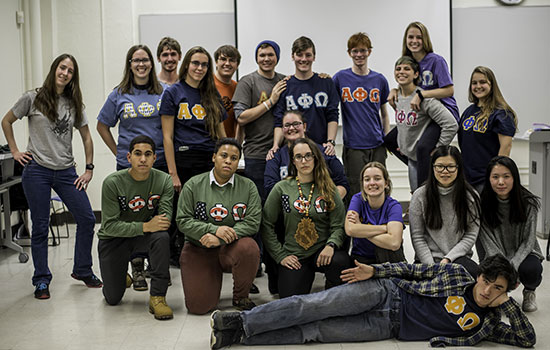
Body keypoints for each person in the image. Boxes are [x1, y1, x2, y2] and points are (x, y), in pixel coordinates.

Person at [209, 254, 536, 349]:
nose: (488, 291)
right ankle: (240, 322)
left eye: (498, 289)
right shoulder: (458, 277)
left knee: (315, 332)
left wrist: (507, 305)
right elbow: (412, 269)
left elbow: (526, 338)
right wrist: (375, 271)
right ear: (479, 276)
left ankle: (237, 337)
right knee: (312, 305)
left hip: (387, 327)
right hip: (389, 292)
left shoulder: (488, 323)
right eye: (487, 282)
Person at [1, 53, 101, 299]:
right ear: (54, 69)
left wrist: (89, 169)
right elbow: (7, 121)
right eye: (62, 67)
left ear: (72, 77)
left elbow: (87, 136)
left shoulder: (74, 104)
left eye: (70, 71)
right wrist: (14, 151)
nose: (65, 73)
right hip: (37, 170)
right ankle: (42, 280)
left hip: (66, 171)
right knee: (41, 226)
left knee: (87, 219)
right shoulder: (32, 98)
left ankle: (82, 269)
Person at [97, 44, 167, 290]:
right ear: (129, 64)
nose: (141, 64)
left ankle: (157, 267)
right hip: (128, 167)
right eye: (136, 60)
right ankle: (136, 269)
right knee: (131, 214)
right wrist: (118, 151)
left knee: (154, 213)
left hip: (158, 164)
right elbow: (102, 125)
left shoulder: (163, 91)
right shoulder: (118, 94)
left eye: (145, 60)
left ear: (151, 63)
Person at [176, 138, 261, 314]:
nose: (228, 161)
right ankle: (209, 277)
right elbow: (183, 220)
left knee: (249, 247)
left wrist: (220, 238)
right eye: (224, 155)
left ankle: (241, 297)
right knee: (198, 307)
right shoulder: (193, 185)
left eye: (234, 158)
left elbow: (252, 222)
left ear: (238, 162)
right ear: (214, 157)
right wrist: (213, 229)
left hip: (232, 247)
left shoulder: (248, 187)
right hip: (198, 247)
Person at [160, 46, 227, 265]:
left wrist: (227, 155)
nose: (199, 68)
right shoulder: (173, 92)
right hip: (183, 158)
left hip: (209, 158)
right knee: (183, 210)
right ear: (187, 64)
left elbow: (220, 131)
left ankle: (208, 250)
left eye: (204, 64)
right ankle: (176, 254)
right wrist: (172, 173)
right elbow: (167, 137)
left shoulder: (211, 93)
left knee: (207, 208)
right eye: (196, 63)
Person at [97, 135, 174, 320]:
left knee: (162, 238)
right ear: (128, 157)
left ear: (155, 158)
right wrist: (146, 225)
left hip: (144, 238)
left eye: (148, 154)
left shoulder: (163, 180)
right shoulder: (112, 183)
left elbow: (164, 220)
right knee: (113, 299)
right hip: (114, 240)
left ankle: (158, 297)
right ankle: (120, 275)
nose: (142, 159)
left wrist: (149, 228)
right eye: (138, 154)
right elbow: (109, 226)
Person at [261, 137, 349, 298]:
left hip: (322, 252)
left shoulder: (329, 188)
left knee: (340, 261)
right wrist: (281, 255)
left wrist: (331, 245)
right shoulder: (282, 188)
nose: (304, 161)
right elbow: (266, 224)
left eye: (308, 155)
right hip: (295, 254)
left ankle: (332, 298)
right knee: (289, 303)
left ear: (315, 158)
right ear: (293, 161)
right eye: (299, 157)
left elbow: (338, 224)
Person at [385, 21, 459, 188]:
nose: (414, 41)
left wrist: (422, 94)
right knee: (390, 140)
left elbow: (449, 90)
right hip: (423, 114)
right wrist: (395, 90)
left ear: (425, 39)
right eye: (410, 37)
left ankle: (423, 188)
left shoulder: (435, 60)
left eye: (419, 37)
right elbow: (408, 84)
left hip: (441, 114)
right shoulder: (410, 61)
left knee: (423, 147)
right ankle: (423, 163)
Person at [477, 156, 544, 312]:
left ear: (514, 178)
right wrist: (503, 268)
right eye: (495, 177)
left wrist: (512, 267)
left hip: (524, 252)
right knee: (489, 275)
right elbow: (487, 241)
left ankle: (529, 291)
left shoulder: (528, 203)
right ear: (489, 179)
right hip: (494, 253)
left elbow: (528, 242)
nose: (501, 182)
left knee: (532, 270)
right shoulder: (482, 204)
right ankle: (498, 294)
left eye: (506, 176)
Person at [333, 32, 390, 197]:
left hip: (377, 144)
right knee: (356, 189)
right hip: (354, 146)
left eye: (363, 51)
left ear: (369, 52)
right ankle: (357, 222)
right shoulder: (340, 78)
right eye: (355, 51)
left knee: (379, 188)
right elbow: (330, 106)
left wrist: (386, 139)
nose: (359, 55)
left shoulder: (379, 80)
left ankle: (379, 221)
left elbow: (385, 114)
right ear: (349, 53)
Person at [409, 145, 480, 278]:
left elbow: (471, 234)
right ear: (433, 167)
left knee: (473, 276)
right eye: (440, 166)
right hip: (426, 260)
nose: (445, 171)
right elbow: (417, 236)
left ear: (458, 168)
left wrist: (447, 259)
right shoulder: (420, 195)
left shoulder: (470, 196)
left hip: (457, 258)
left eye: (451, 166)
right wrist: (432, 267)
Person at [391, 56, 457, 191]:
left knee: (424, 194)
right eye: (398, 69)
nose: (401, 72)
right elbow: (403, 126)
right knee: (416, 195)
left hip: (423, 157)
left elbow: (451, 124)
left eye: (406, 69)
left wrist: (438, 148)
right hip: (412, 157)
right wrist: (403, 147)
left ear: (416, 74)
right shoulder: (396, 97)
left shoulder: (424, 99)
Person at [233, 40, 286, 202]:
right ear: (256, 58)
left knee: (281, 204)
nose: (266, 59)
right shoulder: (247, 82)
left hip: (282, 154)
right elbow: (241, 117)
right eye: (262, 55)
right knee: (260, 203)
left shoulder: (284, 81)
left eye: (270, 55)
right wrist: (271, 101)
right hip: (256, 155)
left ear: (277, 57)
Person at [271, 36, 339, 157]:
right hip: (293, 150)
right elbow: (279, 120)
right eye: (299, 55)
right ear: (293, 56)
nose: (303, 59)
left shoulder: (326, 83)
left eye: (308, 55)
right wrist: (276, 145)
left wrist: (331, 142)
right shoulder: (284, 86)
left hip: (322, 149)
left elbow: (332, 115)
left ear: (314, 57)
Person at [264, 110, 349, 198]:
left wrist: (327, 203)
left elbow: (342, 183)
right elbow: (270, 188)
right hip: (288, 207)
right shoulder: (276, 156)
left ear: (304, 126)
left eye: (296, 124)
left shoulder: (325, 152)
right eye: (287, 125)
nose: (292, 128)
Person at [458, 67, 516, 193]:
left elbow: (506, 148)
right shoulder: (468, 111)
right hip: (466, 178)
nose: (478, 86)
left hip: (486, 180)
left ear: (492, 85)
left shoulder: (501, 114)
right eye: (474, 83)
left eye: (483, 82)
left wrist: (496, 177)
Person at [345, 162, 405, 264]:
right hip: (361, 257)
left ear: (386, 183)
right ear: (363, 184)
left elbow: (394, 243)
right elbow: (350, 229)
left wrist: (361, 227)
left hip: (389, 258)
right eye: (367, 179)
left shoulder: (394, 206)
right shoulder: (357, 199)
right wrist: (384, 229)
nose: (372, 183)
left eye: (377, 178)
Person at [213, 45, 241, 140]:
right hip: (207, 144)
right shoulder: (207, 84)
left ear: (237, 65)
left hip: (229, 145)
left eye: (232, 60)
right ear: (216, 62)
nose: (227, 63)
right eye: (223, 59)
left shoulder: (238, 88)